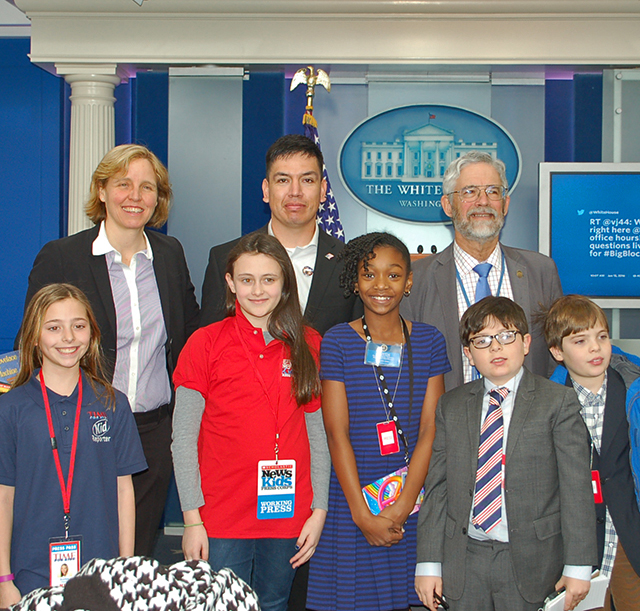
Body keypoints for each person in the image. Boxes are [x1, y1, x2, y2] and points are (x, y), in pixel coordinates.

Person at [18, 144, 200, 557]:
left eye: (147, 187)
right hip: (80, 427)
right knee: (78, 544)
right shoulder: (63, 256)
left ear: (159, 198)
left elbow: (189, 337)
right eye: (123, 184)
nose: (135, 196)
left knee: (132, 552)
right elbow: (30, 341)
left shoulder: (170, 256)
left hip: (153, 433)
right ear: (102, 191)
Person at [171, 233, 329, 611]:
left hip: (289, 513)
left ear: (284, 283)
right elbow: (183, 439)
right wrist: (192, 520)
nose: (258, 290)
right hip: (220, 517)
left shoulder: (309, 343)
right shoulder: (204, 344)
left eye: (269, 279)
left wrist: (319, 511)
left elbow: (318, 436)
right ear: (230, 283)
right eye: (246, 280)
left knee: (274, 603)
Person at [415, 296, 597, 611]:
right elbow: (437, 488)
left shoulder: (558, 402)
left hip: (533, 561)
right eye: (482, 340)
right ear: (469, 354)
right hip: (465, 560)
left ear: (526, 343)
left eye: (506, 336)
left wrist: (579, 566)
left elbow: (576, 488)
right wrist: (428, 562)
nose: (496, 347)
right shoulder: (451, 405)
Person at [307, 232, 450, 611]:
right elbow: (336, 435)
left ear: (409, 281)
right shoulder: (337, 341)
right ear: (355, 281)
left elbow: (430, 431)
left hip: (413, 498)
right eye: (369, 275)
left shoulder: (431, 341)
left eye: (393, 274)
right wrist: (362, 514)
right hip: (353, 498)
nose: (381, 286)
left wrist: (402, 506)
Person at [0, 284, 147, 606]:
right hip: (29, 572)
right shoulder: (11, 408)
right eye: (54, 328)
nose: (68, 338)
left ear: (91, 334)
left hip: (100, 570)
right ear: (34, 337)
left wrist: (125, 569)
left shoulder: (113, 404)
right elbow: (3, 498)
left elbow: (125, 492)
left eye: (78, 326)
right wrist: (3, 578)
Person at [402, 151, 562, 390]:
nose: (483, 201)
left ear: (505, 204)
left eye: (493, 191)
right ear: (448, 205)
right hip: (447, 422)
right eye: (469, 192)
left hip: (527, 421)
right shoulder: (416, 279)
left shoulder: (541, 271)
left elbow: (557, 356)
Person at [199, 134, 358, 337]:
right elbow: (210, 346)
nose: (295, 191)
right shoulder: (224, 259)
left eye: (307, 180)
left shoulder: (350, 262)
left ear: (323, 190)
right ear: (266, 190)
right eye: (283, 180)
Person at [545, 295, 640, 611]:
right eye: (580, 340)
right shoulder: (549, 404)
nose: (595, 348)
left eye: (601, 337)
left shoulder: (633, 394)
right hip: (577, 549)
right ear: (558, 352)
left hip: (630, 537)